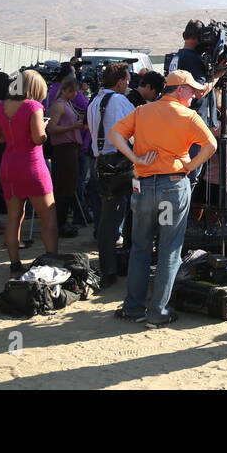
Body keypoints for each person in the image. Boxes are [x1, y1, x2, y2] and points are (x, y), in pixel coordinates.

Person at [109, 70, 218, 328]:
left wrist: (135, 159)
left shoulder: (143, 111)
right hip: (172, 186)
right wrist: (189, 166)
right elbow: (211, 144)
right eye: (191, 89)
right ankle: (158, 311)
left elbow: (115, 134)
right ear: (179, 89)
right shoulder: (188, 116)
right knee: (169, 250)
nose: (194, 94)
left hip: (143, 186)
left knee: (140, 247)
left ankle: (133, 307)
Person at [0, 69, 56, 276]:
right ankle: (52, 262)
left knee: (14, 217)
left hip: (8, 165)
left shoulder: (0, 107)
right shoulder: (33, 106)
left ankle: (15, 265)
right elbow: (38, 139)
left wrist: (13, 138)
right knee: (49, 218)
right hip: (32, 165)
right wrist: (44, 127)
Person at [86, 62, 137, 287]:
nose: (129, 84)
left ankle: (110, 267)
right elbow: (137, 129)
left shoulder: (94, 101)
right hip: (121, 164)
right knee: (134, 214)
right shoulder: (118, 100)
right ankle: (123, 264)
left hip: (102, 164)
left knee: (108, 220)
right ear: (119, 82)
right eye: (127, 80)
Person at [47, 75, 87, 239]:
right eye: (72, 91)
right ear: (66, 90)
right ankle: (60, 223)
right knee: (64, 186)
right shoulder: (59, 105)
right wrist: (73, 126)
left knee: (68, 186)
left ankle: (61, 221)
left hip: (70, 148)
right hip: (64, 149)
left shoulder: (66, 104)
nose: (75, 94)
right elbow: (51, 128)